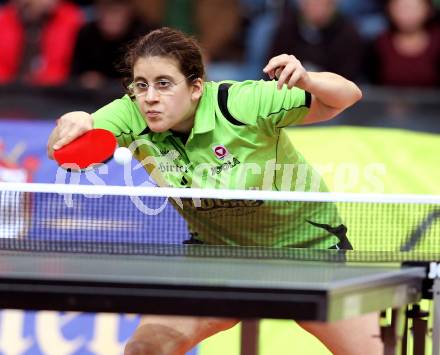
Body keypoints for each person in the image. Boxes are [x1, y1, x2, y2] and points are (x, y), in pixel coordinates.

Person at [47, 28, 383, 355]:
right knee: (144, 349)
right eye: (141, 85)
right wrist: (72, 122)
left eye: (164, 84)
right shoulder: (131, 112)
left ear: (195, 88)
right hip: (218, 257)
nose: (150, 97)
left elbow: (347, 94)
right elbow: (65, 150)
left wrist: (308, 79)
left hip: (308, 253)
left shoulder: (242, 103)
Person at [268, 0, 365, 81]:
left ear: (333, 5)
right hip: (289, 91)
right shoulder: (287, 27)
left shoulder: (348, 34)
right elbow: (273, 68)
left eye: (322, 4)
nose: (317, 9)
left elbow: (347, 79)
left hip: (329, 94)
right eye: (312, 4)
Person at [71, 0, 155, 89]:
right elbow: (75, 73)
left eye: (116, 11)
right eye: (105, 11)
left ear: (129, 12)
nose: (110, 18)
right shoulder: (87, 33)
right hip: (92, 96)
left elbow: (152, 76)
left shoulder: (146, 35)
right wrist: (86, 77)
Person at [0, 0, 84, 85]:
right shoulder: (5, 19)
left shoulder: (69, 19)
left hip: (53, 91)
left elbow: (60, 67)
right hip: (10, 90)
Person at [366, 0, 440, 87]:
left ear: (428, 9)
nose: (407, 13)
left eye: (413, 7)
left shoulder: (437, 41)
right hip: (388, 98)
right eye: (401, 7)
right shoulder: (380, 43)